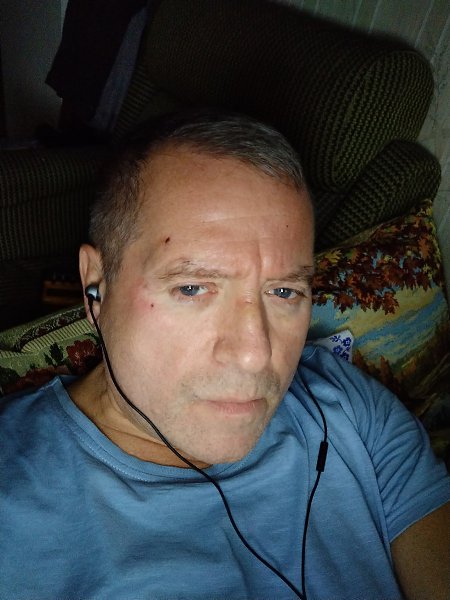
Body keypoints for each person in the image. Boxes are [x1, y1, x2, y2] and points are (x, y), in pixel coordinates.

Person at [1, 109, 449, 600]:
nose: (255, 355)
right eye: (192, 288)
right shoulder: (13, 498)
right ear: (96, 288)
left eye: (284, 292)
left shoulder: (346, 405)